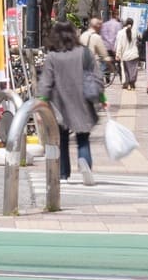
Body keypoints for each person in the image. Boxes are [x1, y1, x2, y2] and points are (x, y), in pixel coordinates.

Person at [38, 20, 105, 185]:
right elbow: (97, 77)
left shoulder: (52, 56)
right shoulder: (84, 53)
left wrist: (41, 104)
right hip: (82, 101)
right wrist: (102, 99)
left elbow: (46, 83)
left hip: (60, 103)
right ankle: (85, 163)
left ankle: (63, 174)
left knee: (62, 139)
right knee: (83, 138)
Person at [115, 17, 141, 90]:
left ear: (125, 23)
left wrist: (118, 54)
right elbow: (138, 42)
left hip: (125, 55)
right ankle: (131, 84)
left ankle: (128, 84)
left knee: (126, 71)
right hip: (134, 54)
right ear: (132, 24)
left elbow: (119, 45)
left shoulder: (120, 33)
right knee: (133, 70)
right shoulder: (135, 32)